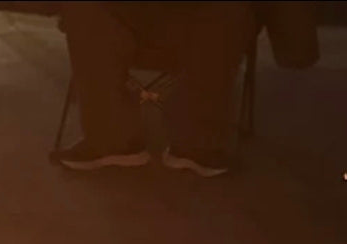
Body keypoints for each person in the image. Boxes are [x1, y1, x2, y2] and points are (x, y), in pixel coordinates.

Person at [55, 1, 318, 177]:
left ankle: (195, 140)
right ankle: (111, 137)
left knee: (229, 11)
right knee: (84, 7)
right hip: (123, 22)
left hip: (204, 26)